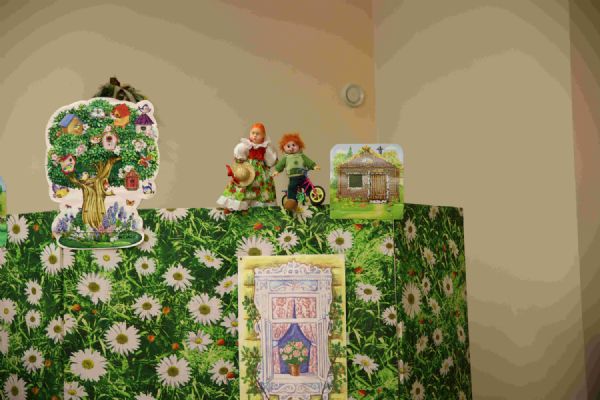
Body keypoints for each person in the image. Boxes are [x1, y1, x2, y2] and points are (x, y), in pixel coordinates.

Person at [216, 123, 277, 211]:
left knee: (261, 187)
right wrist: (240, 165)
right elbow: (240, 154)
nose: (254, 135)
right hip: (248, 170)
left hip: (260, 171)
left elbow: (270, 160)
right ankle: (236, 207)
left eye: (258, 134)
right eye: (253, 133)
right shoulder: (246, 144)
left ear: (263, 135)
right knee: (243, 185)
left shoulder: (266, 147)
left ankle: (258, 208)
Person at [272, 133, 320, 211]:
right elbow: (280, 165)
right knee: (292, 187)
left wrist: (314, 166)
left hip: (302, 177)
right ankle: (291, 201)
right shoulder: (286, 158)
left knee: (308, 186)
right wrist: (277, 171)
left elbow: (308, 161)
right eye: (288, 146)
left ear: (299, 145)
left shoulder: (301, 156)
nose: (291, 148)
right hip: (293, 178)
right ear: (284, 148)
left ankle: (314, 197)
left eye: (294, 145)